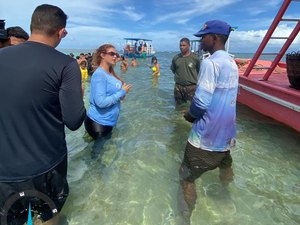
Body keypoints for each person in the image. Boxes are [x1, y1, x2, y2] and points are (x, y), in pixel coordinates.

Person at [0, 4, 86, 225]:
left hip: (4, 170)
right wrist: (80, 95)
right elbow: (74, 121)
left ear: (32, 25)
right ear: (61, 32)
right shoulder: (66, 64)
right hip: (46, 166)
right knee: (48, 217)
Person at [177, 20, 238, 225]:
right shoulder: (231, 63)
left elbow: (202, 101)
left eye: (204, 37)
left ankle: (185, 219)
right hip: (227, 136)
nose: (201, 40)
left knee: (186, 176)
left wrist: (190, 115)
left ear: (215, 38)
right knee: (225, 165)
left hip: (206, 136)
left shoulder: (211, 63)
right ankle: (225, 194)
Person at [84, 44, 132, 157]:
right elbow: (101, 102)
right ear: (102, 55)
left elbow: (117, 97)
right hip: (99, 123)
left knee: (99, 153)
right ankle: (95, 174)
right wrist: (122, 92)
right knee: (96, 159)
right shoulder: (99, 75)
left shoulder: (110, 73)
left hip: (108, 122)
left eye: (116, 54)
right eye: (112, 54)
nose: (115, 56)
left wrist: (122, 93)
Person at [170, 38, 200, 105]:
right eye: (180, 45)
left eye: (184, 45)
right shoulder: (176, 58)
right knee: (178, 106)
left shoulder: (195, 58)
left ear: (189, 46)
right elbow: (173, 70)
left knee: (190, 107)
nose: (181, 47)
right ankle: (177, 116)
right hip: (178, 87)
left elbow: (199, 71)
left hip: (191, 88)